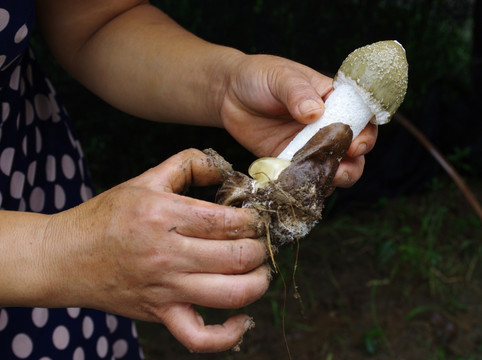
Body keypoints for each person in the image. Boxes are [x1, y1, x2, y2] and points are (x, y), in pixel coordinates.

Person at [0, 0, 378, 358]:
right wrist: (66, 249)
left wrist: (224, 86)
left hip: (32, 179)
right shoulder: (77, 251)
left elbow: (94, 20)